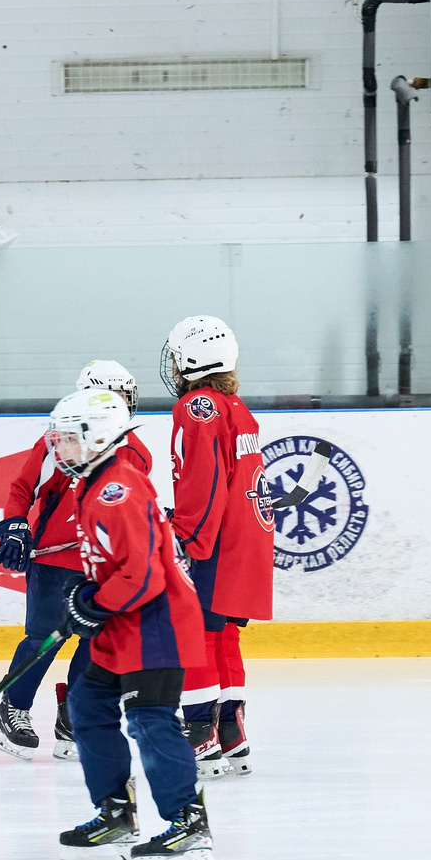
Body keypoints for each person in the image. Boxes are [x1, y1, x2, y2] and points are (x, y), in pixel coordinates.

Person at [45, 387, 217, 860]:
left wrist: (93, 605)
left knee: (150, 720)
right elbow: (114, 561)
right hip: (123, 624)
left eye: (68, 439)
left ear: (97, 436)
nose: (61, 449)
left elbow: (144, 577)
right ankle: (116, 813)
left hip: (155, 624)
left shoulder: (118, 488)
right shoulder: (95, 483)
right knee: (87, 704)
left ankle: (189, 827)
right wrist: (85, 593)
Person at [0, 359, 147, 762]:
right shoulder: (60, 440)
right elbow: (24, 486)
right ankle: (15, 708)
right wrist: (13, 525)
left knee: (95, 643)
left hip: (102, 564)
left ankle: (72, 715)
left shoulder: (137, 452)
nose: (121, 405)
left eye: (123, 397)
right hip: (55, 563)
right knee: (43, 638)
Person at [162, 314, 273, 778]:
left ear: (190, 360)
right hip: (248, 535)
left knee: (198, 633)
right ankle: (232, 732)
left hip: (217, 538)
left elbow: (204, 482)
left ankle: (200, 735)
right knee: (224, 632)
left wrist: (187, 534)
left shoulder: (198, 408)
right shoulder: (235, 406)